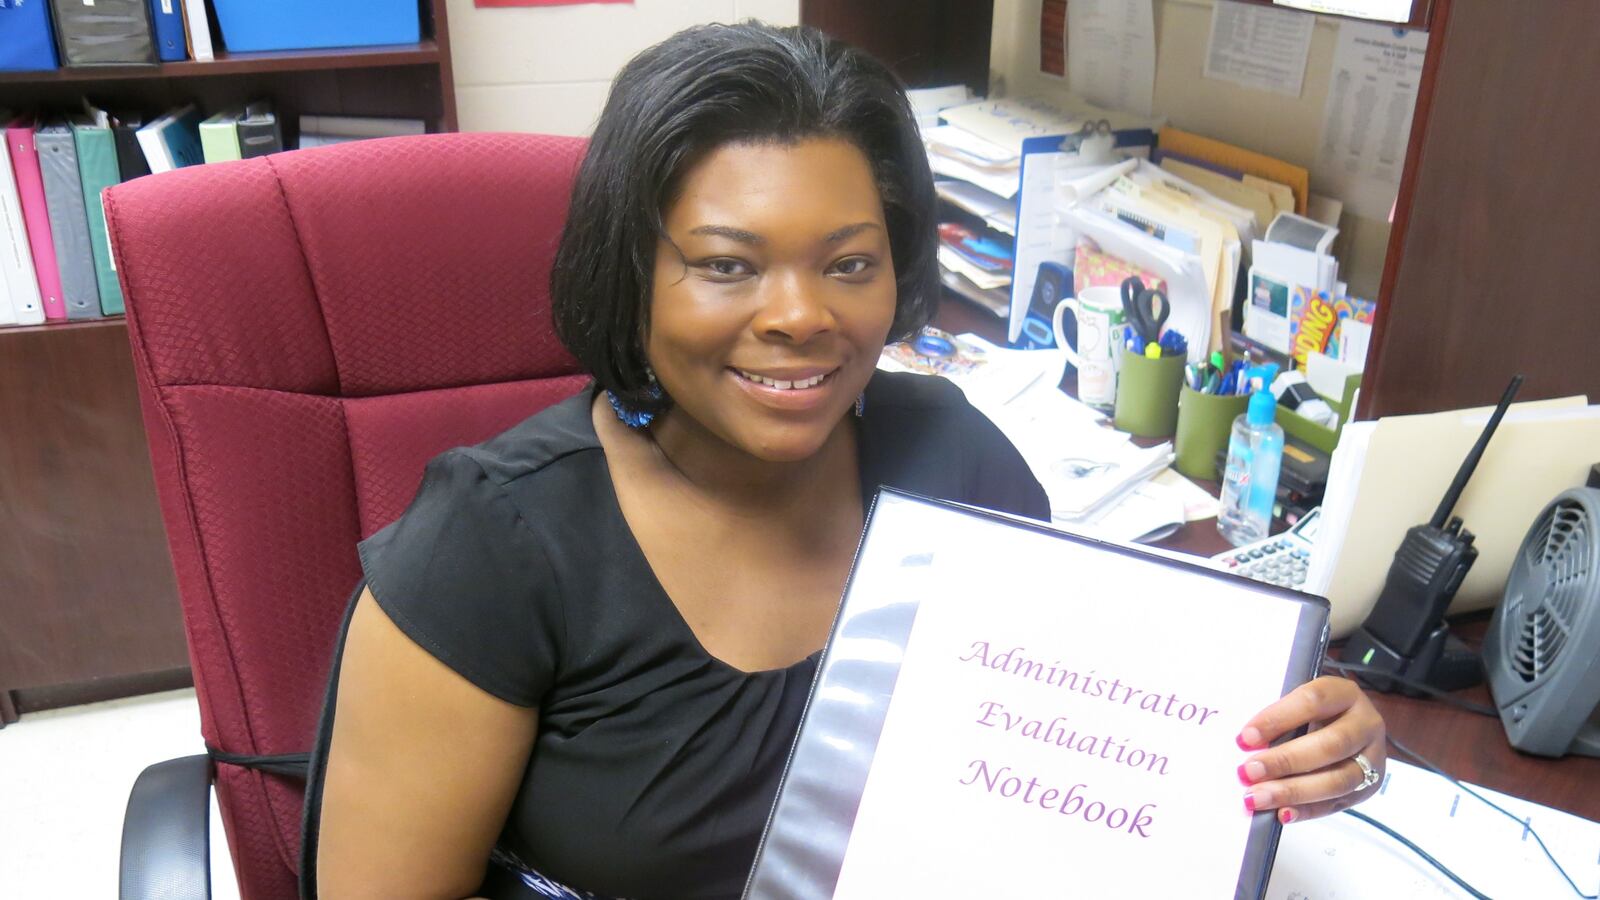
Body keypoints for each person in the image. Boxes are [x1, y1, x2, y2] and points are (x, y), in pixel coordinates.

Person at [305, 22, 1387, 900]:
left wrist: (1302, 738)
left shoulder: (950, 459)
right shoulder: (491, 547)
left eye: (849, 263)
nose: (801, 317)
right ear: (630, 275)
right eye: (728, 266)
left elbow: (1089, 752)